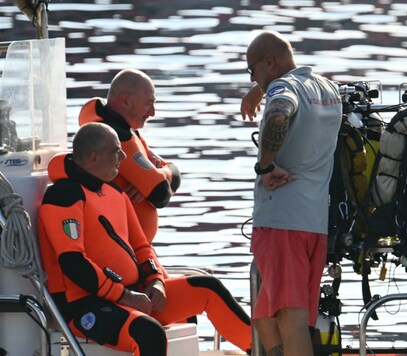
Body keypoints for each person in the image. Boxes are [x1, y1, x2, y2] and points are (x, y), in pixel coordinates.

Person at [38, 122, 251, 355]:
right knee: (149, 334)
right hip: (85, 305)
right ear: (94, 157)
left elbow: (141, 247)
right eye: (115, 151)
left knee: (208, 287)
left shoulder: (114, 192)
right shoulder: (63, 196)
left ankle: (266, 350)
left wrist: (156, 281)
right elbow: (73, 262)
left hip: (131, 294)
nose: (122, 156)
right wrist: (124, 296)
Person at [241, 31, 342, 356]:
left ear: (269, 61)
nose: (253, 77)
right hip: (313, 222)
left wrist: (265, 166)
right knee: (265, 316)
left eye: (251, 70)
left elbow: (279, 111)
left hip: (282, 220)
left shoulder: (282, 90)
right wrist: (259, 90)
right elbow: (283, 88)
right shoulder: (327, 88)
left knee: (290, 320)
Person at [78, 68, 180, 244]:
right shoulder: (116, 138)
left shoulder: (130, 132)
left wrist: (158, 175)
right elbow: (160, 193)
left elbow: (175, 174)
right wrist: (156, 177)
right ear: (125, 101)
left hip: (134, 249)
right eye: (149, 103)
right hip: (119, 248)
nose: (153, 112)